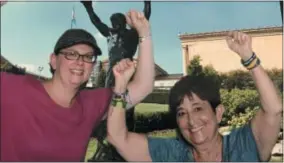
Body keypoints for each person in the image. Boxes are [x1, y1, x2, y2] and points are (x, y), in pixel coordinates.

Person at [0, 10, 154, 162]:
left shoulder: (91, 104)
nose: (80, 62)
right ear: (53, 60)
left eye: (88, 57)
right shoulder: (14, 88)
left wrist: (144, 32)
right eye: (71, 54)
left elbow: (143, 86)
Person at [106, 31, 282, 161]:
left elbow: (273, 109)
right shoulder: (170, 154)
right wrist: (121, 86)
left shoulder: (245, 144)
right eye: (182, 113)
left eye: (198, 108)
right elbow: (118, 137)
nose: (191, 121)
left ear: (218, 112)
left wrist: (248, 58)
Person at [81, 0, 151, 87]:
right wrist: (88, 7)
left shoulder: (132, 34)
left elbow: (144, 18)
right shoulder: (109, 33)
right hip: (111, 73)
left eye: (116, 22)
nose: (113, 24)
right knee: (109, 97)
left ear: (123, 22)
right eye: (112, 22)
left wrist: (147, 3)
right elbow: (96, 22)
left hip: (126, 70)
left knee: (125, 96)